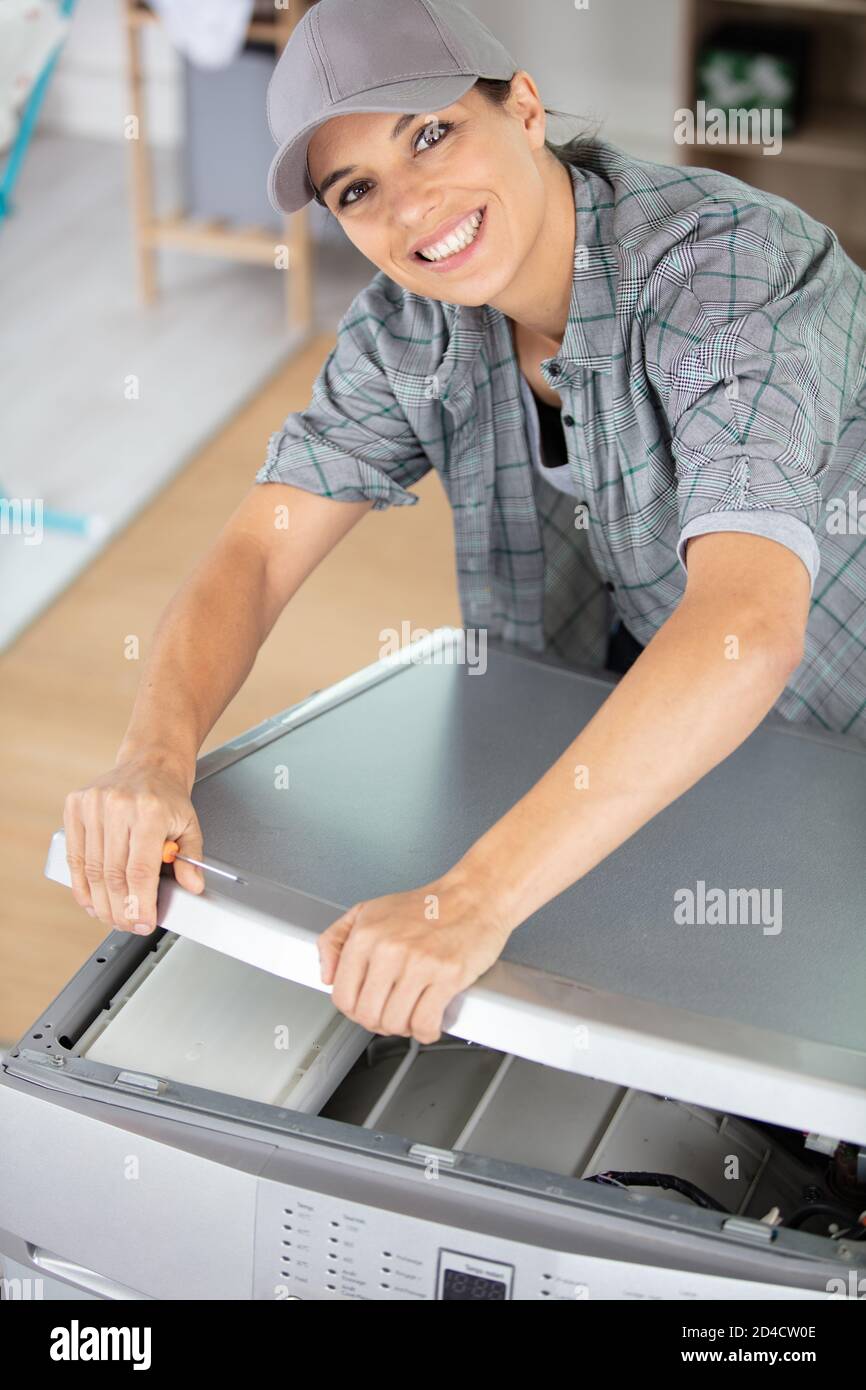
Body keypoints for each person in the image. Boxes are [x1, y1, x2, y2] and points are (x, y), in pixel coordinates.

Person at [64, 0, 866, 1047]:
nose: (410, 209)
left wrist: (473, 897)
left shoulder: (731, 269)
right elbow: (256, 553)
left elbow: (744, 627)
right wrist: (152, 756)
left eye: (429, 135)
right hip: (643, 742)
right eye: (356, 191)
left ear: (523, 108)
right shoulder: (407, 328)